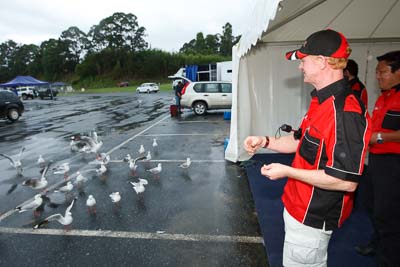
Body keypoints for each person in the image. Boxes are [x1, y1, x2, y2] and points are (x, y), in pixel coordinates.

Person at [243, 29, 371, 267]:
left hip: (313, 217)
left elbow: (345, 180)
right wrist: (266, 141)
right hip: (297, 208)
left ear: (322, 62)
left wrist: (287, 171)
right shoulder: (321, 101)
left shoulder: (345, 112)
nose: (300, 66)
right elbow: (300, 141)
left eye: (304, 60)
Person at [355, 50, 400, 266]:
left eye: (383, 72)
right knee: (371, 205)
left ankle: (389, 258)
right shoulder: (384, 97)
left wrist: (379, 137)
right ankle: (378, 242)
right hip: (376, 161)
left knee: (388, 212)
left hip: (394, 163)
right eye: (376, 72)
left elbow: (379, 134)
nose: (378, 77)